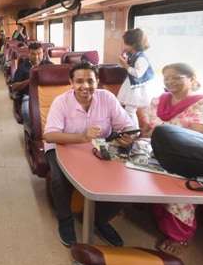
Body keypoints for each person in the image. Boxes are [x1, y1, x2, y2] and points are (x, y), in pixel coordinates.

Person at [43, 62, 136, 248]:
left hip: (99, 148)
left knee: (127, 181)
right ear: (71, 82)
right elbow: (49, 135)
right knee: (58, 180)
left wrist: (129, 135)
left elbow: (127, 126)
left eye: (90, 81)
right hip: (63, 146)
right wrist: (83, 137)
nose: (85, 86)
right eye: (79, 81)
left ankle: (100, 219)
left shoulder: (107, 98)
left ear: (98, 81)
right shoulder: (61, 102)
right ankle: (65, 219)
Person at [141, 63, 203, 256]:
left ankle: (180, 235)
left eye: (176, 77)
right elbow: (146, 130)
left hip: (188, 159)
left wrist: (160, 133)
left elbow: (198, 134)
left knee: (179, 192)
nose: (169, 81)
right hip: (155, 153)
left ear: (192, 79)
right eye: (166, 78)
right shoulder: (157, 101)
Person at [117, 28, 155, 128]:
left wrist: (125, 64)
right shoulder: (131, 55)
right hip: (133, 86)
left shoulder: (141, 58)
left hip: (140, 88)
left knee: (132, 111)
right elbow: (123, 66)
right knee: (130, 111)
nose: (124, 46)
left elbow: (137, 73)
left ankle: (135, 131)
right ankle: (134, 130)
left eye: (125, 44)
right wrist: (123, 62)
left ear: (132, 45)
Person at [11, 42, 51, 125]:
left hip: (49, 96)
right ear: (28, 54)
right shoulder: (22, 68)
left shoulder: (50, 66)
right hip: (29, 96)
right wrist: (30, 80)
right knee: (26, 113)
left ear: (43, 54)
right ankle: (32, 134)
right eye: (33, 54)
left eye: (39, 54)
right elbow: (14, 87)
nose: (36, 57)